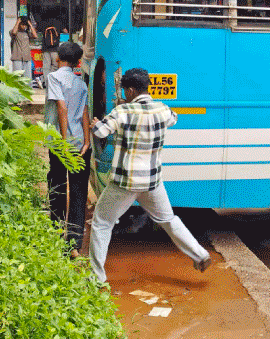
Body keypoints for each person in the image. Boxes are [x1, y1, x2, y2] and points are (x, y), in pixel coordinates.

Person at [88, 68, 211, 284]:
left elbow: (100, 132)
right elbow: (173, 118)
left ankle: (97, 278)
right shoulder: (163, 109)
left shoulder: (122, 111)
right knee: (168, 220)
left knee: (101, 223)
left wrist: (95, 123)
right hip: (153, 182)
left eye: (125, 90)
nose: (124, 93)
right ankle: (200, 255)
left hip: (125, 182)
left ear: (132, 89)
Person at [46, 42, 91, 259]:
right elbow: (84, 111)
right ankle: (73, 244)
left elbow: (61, 106)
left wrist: (63, 141)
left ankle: (56, 235)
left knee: (57, 185)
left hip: (60, 143)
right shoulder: (81, 83)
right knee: (79, 191)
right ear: (77, 63)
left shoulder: (54, 77)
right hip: (80, 144)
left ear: (57, 59)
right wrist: (87, 142)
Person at [10, 16, 36, 86]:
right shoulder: (13, 32)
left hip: (27, 58)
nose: (24, 26)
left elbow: (35, 36)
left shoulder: (27, 33)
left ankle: (27, 93)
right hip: (17, 58)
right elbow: (14, 32)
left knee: (28, 79)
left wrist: (30, 24)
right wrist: (18, 21)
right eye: (22, 24)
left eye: (25, 25)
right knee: (17, 78)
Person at [40, 14, 61, 88]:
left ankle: (47, 82)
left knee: (46, 66)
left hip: (45, 49)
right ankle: (51, 81)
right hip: (55, 49)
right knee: (55, 65)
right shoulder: (58, 23)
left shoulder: (43, 23)